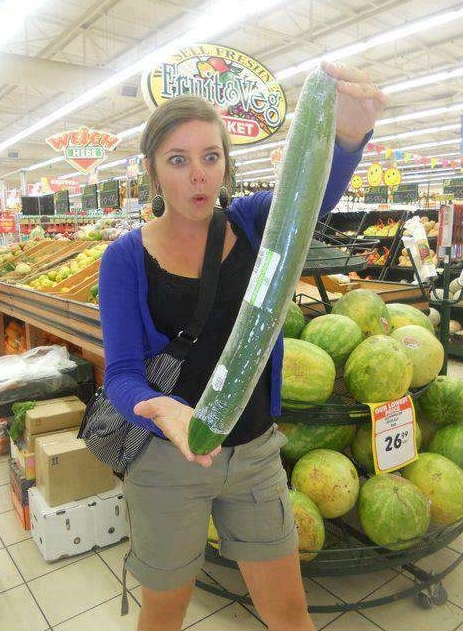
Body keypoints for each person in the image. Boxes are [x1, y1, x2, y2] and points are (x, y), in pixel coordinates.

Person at [99, 61, 386, 631]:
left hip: (254, 453)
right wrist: (160, 408)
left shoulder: (253, 224)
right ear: (152, 170)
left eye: (211, 157)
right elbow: (122, 375)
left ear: (226, 164)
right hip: (167, 460)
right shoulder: (125, 258)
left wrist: (349, 138)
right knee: (163, 616)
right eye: (178, 161)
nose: (198, 176)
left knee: (289, 613)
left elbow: (309, 199)